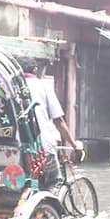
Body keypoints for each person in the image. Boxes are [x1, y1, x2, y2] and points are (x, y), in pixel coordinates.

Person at [21, 59, 82, 187]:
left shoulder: (11, 87)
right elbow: (58, 121)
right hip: (42, 148)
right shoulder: (43, 86)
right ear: (35, 70)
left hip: (17, 150)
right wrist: (74, 144)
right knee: (54, 183)